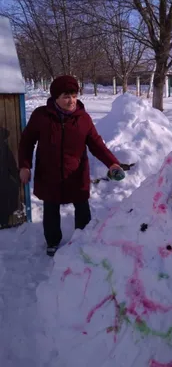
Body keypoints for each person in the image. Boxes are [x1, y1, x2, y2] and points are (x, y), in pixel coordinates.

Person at [18, 75, 125, 256]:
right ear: (55, 98)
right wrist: (25, 166)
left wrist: (113, 163)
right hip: (49, 173)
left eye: (74, 95)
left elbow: (97, 145)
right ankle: (52, 241)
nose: (71, 100)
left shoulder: (83, 119)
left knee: (82, 207)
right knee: (51, 208)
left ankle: (83, 239)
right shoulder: (41, 116)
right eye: (66, 96)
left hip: (76, 172)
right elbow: (27, 142)